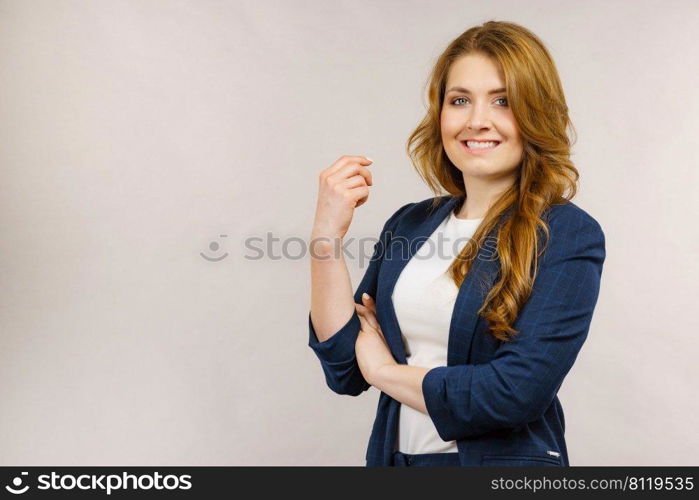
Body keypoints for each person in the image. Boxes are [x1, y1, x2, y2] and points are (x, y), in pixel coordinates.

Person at [307, 20, 605, 467]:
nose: (477, 120)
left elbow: (513, 394)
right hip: (395, 462)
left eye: (503, 101)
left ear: (535, 114)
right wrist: (325, 238)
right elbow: (346, 368)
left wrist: (385, 371)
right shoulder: (410, 224)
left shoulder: (565, 232)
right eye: (459, 100)